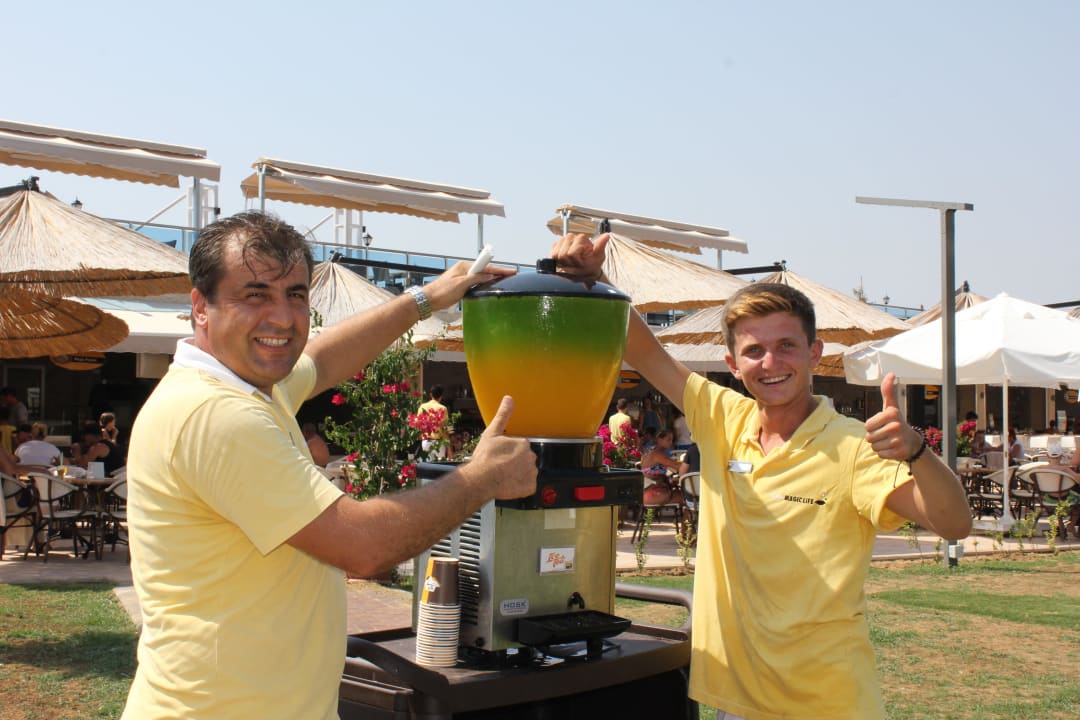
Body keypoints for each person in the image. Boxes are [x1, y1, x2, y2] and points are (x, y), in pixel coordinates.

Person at [120, 211, 537, 719]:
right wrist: (482, 477)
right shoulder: (217, 414)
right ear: (200, 307)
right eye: (255, 294)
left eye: (295, 294)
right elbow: (364, 547)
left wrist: (425, 298)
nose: (283, 317)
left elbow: (324, 358)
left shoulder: (251, 386)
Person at [552, 232, 971, 720]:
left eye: (786, 346)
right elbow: (644, 351)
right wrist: (592, 278)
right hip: (738, 700)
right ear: (733, 364)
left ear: (815, 353)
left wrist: (918, 452)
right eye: (754, 351)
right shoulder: (723, 417)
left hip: (827, 703)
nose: (770, 363)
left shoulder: (853, 445)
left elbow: (953, 524)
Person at [417, 384, 450, 458]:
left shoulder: (422, 407)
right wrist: (449, 448)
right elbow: (444, 429)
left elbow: (418, 424)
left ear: (431, 395)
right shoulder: (443, 408)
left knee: (428, 464)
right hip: (439, 442)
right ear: (441, 396)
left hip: (426, 441)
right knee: (440, 464)